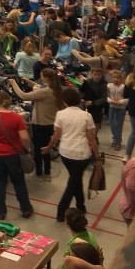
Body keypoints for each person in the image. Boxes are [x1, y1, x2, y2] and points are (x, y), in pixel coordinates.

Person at [42, 88, 100, 220]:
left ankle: (81, 205)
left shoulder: (60, 114)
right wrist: (97, 155)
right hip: (81, 154)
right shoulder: (87, 116)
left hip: (65, 153)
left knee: (75, 178)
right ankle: (61, 211)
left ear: (64, 101)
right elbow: (91, 138)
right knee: (73, 182)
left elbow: (56, 135)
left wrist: (48, 147)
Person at [0, 91, 34, 220]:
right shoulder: (17, 118)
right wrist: (26, 149)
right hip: (12, 154)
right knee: (18, 182)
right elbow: (25, 138)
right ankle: (26, 209)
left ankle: (1, 212)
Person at [10, 69, 65, 180]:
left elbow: (23, 96)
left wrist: (13, 83)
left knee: (39, 149)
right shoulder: (56, 89)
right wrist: (28, 81)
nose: (41, 78)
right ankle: (47, 172)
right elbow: (39, 86)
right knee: (46, 148)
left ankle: (39, 172)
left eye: (41, 76)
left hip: (40, 124)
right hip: (50, 124)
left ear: (46, 78)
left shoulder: (45, 92)